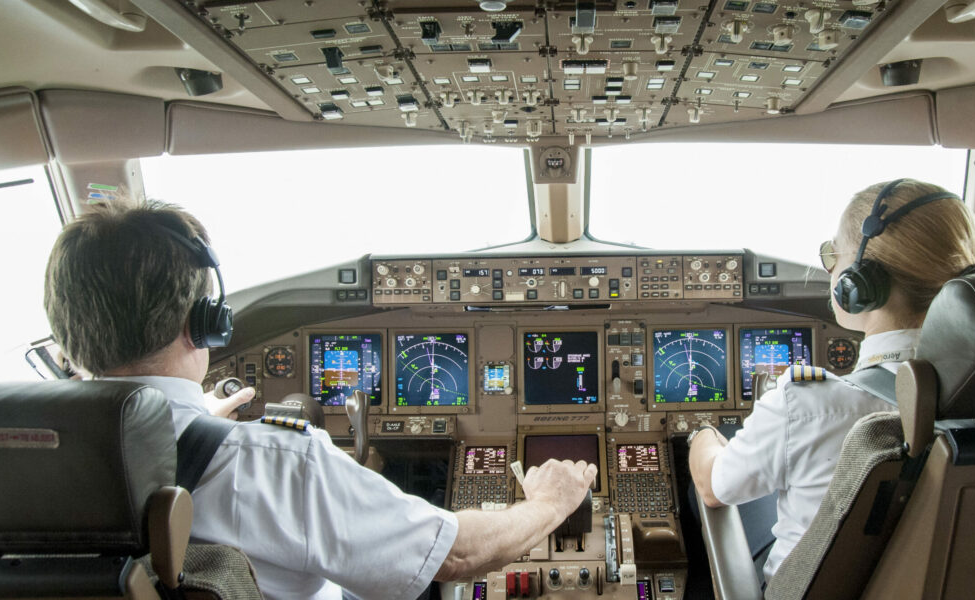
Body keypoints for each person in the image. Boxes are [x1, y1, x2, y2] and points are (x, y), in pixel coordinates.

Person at [44, 199, 597, 600]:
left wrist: (183, 432)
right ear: (204, 324)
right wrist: (551, 502)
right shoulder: (274, 461)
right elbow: (455, 556)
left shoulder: (15, 454)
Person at [688, 178, 975, 581]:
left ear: (860, 285)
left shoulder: (807, 404)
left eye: (832, 254)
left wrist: (703, 435)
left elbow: (713, 487)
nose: (832, 268)